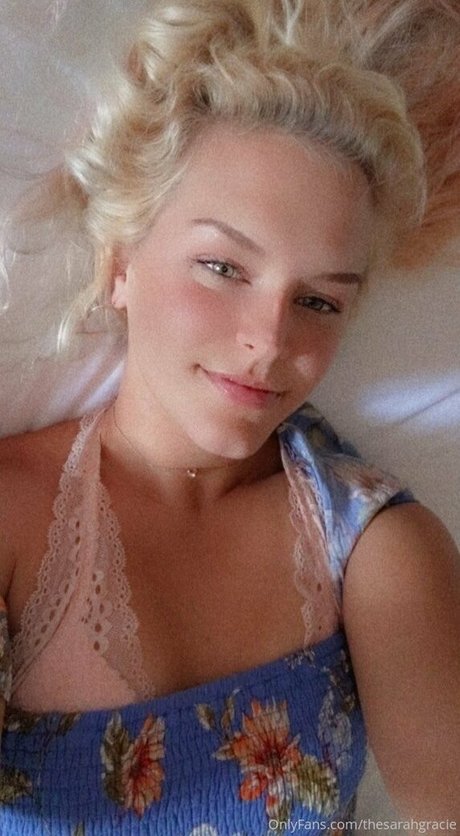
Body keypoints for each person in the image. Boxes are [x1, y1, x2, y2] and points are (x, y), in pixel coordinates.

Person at [0, 1, 459, 833]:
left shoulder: (377, 551)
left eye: (318, 301)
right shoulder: (13, 518)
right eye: (223, 267)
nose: (269, 341)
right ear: (121, 264)